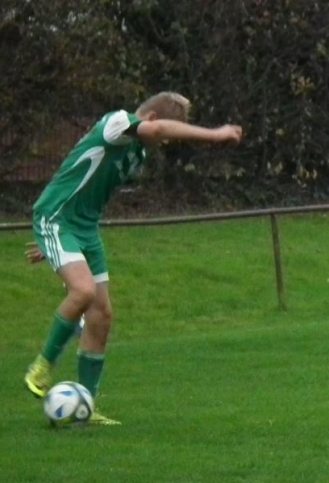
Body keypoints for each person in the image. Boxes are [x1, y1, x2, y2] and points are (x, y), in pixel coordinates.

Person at [23, 92, 243, 425]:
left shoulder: (137, 153)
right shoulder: (117, 123)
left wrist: (53, 246)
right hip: (57, 219)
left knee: (102, 315)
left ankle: (86, 407)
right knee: (83, 292)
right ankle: (41, 367)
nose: (163, 142)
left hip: (83, 228)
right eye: (165, 134)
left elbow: (88, 184)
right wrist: (215, 134)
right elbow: (156, 130)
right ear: (152, 119)